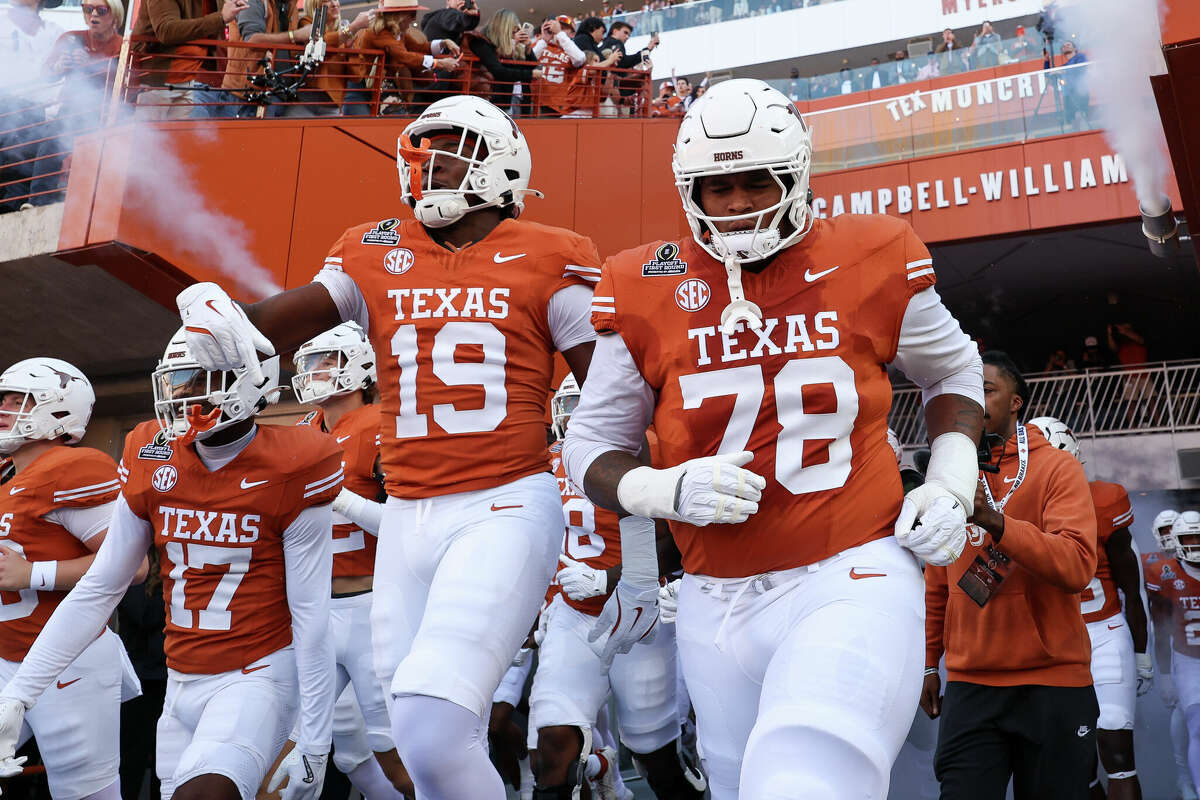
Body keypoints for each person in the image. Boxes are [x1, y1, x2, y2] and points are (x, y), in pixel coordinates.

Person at [167, 94, 602, 800]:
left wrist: (633, 547)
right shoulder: (372, 247)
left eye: (448, 150)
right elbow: (282, 323)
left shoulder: (553, 253)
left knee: (433, 720)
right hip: (407, 517)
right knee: (415, 738)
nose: (426, 166)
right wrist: (226, 318)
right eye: (419, 152)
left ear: (500, 159)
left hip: (503, 501)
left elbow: (609, 401)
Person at [561, 78, 985, 799]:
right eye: (715, 186)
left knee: (804, 779)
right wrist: (662, 488)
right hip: (708, 597)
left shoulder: (872, 249)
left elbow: (953, 371)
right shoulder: (640, 281)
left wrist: (950, 478)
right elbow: (591, 441)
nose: (734, 205)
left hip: (850, 568)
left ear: (796, 174)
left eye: (755, 183)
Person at [0, 330, 341, 800]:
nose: (183, 394)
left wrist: (314, 738)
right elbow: (102, 586)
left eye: (201, 378)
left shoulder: (294, 461)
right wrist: (20, 691)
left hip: (256, 673)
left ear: (249, 380)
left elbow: (311, 612)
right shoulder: (150, 450)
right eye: (178, 379)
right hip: (181, 677)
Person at [923, 351, 1099, 800]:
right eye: (964, 391)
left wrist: (996, 523)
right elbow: (938, 582)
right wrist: (929, 663)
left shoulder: (1057, 468)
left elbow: (1076, 564)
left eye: (984, 390)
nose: (971, 400)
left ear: (1016, 402)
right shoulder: (947, 474)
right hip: (971, 683)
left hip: (1053, 681)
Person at [529, 377, 704, 799]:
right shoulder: (547, 460)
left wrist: (605, 578)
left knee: (655, 758)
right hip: (573, 618)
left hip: (641, 619)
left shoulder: (654, 452)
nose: (577, 416)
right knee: (549, 749)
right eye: (571, 403)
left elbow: (676, 547)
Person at [0, 357, 143, 800]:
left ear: (59, 411)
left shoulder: (76, 468)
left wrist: (32, 574)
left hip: (68, 664)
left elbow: (131, 567)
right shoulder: (8, 475)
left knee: (84, 795)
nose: (3, 408)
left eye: (16, 399)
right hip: (7, 657)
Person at [288, 322, 413, 799]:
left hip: (372, 608)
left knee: (394, 748)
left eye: (326, 362)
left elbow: (410, 523)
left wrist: (344, 501)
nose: (314, 374)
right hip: (311, 612)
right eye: (309, 365)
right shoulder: (301, 433)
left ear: (359, 369)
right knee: (301, 745)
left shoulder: (382, 424)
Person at [1030, 416, 1150, 800]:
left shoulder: (1104, 501)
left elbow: (1133, 587)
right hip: (1054, 644)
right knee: (1075, 764)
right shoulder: (1017, 507)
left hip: (1104, 633)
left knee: (1116, 748)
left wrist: (1141, 650)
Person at [27, 0, 125, 205]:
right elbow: (45, 74)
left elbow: (126, 82)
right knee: (50, 142)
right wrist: (59, 67)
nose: (93, 14)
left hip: (105, 114)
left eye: (101, 10)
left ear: (114, 15)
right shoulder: (71, 38)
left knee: (98, 154)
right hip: (71, 109)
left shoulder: (122, 45)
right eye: (87, 9)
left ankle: (90, 204)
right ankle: (37, 203)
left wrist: (91, 66)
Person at [1144, 509, 1199, 800]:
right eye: (1163, 531)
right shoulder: (1155, 567)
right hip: (1180, 651)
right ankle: (1182, 775)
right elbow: (1157, 622)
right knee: (1188, 714)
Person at [355, 0, 460, 112]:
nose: (414, 18)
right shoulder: (379, 32)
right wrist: (439, 63)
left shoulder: (397, 33)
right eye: (412, 14)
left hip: (377, 87)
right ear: (398, 16)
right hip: (359, 87)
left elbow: (418, 47)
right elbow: (404, 56)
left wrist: (444, 42)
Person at [465, 10, 540, 113]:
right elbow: (499, 71)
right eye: (512, 32)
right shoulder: (481, 42)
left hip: (506, 101)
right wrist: (530, 74)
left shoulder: (510, 46)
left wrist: (527, 48)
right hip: (486, 101)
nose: (514, 35)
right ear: (504, 29)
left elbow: (530, 66)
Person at [534, 17, 590, 117]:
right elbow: (530, 60)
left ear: (572, 34)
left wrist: (560, 34)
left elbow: (580, 59)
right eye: (556, 27)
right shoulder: (542, 44)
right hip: (534, 100)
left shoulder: (572, 50)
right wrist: (544, 40)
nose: (556, 30)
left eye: (563, 28)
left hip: (556, 105)